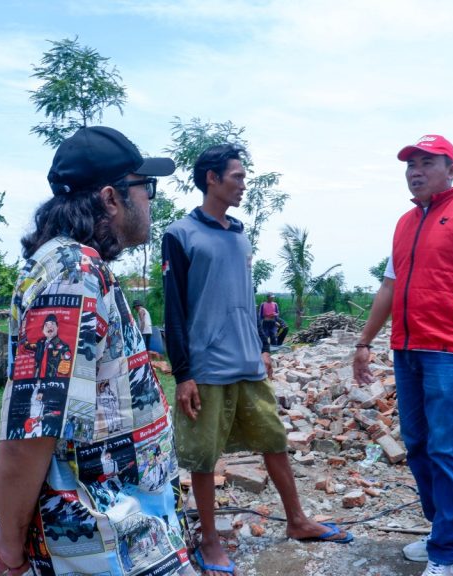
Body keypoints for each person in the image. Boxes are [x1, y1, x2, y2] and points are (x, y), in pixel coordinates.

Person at [0, 126, 195, 576]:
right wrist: (12, 544)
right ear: (113, 199)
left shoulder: (80, 269)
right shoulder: (71, 276)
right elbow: (32, 430)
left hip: (125, 525)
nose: (151, 201)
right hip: (103, 537)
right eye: (146, 187)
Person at [163, 144, 352, 576]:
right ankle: (210, 540)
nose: (243, 185)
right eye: (237, 177)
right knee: (204, 457)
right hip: (206, 366)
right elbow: (173, 311)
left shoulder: (239, 233)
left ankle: (298, 520)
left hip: (248, 361)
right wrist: (183, 374)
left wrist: (263, 347)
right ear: (211, 178)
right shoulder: (181, 234)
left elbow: (244, 299)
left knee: (274, 440)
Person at [353, 135, 453, 576]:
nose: (414, 171)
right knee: (417, 445)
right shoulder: (405, 222)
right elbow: (389, 287)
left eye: (426, 163)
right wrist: (364, 343)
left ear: (451, 169)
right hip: (407, 350)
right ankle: (450, 531)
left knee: (446, 448)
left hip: (449, 352)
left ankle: (445, 555)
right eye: (409, 164)